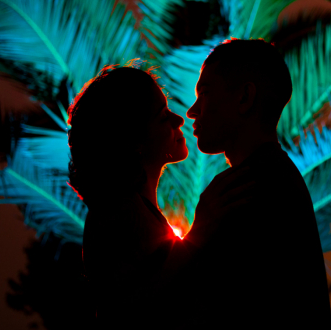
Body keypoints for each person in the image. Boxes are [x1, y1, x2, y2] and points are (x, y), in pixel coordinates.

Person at [66, 64, 253, 328]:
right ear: (134, 142)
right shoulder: (116, 213)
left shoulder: (131, 210)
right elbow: (132, 307)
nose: (180, 120)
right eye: (163, 116)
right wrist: (200, 232)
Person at [181, 38, 331, 328]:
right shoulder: (278, 178)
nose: (192, 111)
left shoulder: (241, 193)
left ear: (244, 98)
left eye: (205, 93)